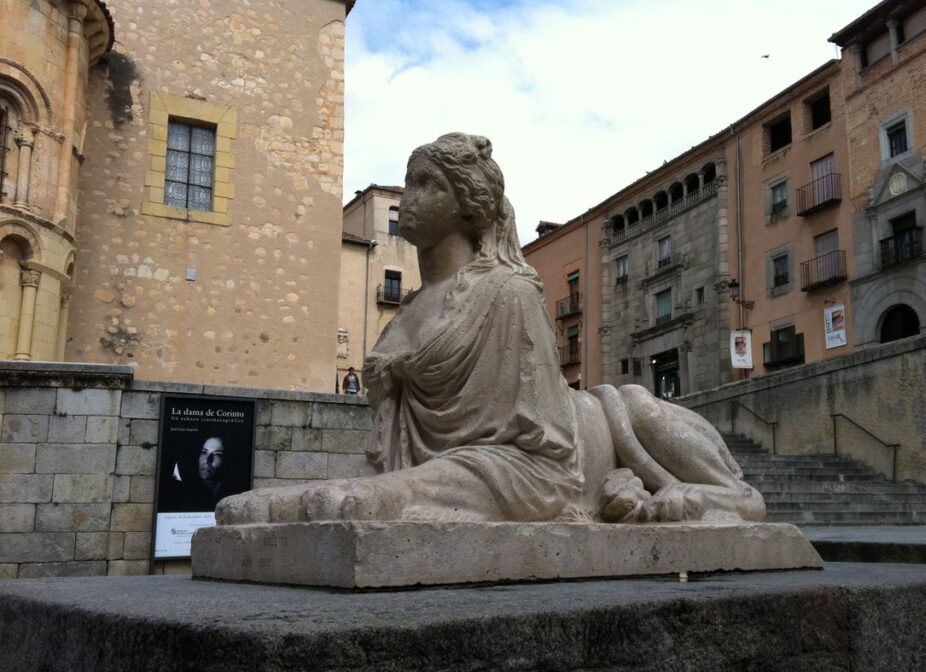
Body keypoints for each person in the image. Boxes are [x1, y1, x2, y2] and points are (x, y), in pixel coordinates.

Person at [216, 133, 764, 526]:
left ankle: (733, 499)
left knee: (639, 406)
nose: (408, 197)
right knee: (349, 495)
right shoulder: (405, 317)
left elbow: (539, 467)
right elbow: (389, 463)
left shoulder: (509, 294)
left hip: (554, 455)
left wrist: (380, 494)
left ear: (468, 205)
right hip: (469, 471)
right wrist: (300, 496)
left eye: (426, 184)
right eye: (409, 183)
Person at [166, 434, 235, 513]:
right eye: (204, 452)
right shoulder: (185, 494)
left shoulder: (233, 494)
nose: (207, 460)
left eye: (218, 454)